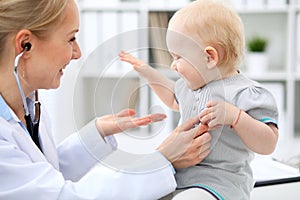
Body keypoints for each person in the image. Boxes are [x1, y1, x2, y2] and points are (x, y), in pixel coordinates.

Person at [0, 0, 213, 199]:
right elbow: (63, 197)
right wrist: (162, 160)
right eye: (71, 38)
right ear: (25, 44)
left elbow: (45, 176)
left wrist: (96, 133)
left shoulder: (29, 108)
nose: (77, 53)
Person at [119, 0, 279, 199]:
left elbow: (268, 143)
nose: (173, 66)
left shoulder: (245, 93)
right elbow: (171, 97)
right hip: (180, 176)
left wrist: (236, 117)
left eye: (177, 57)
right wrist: (146, 71)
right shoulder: (189, 87)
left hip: (220, 181)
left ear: (210, 57)